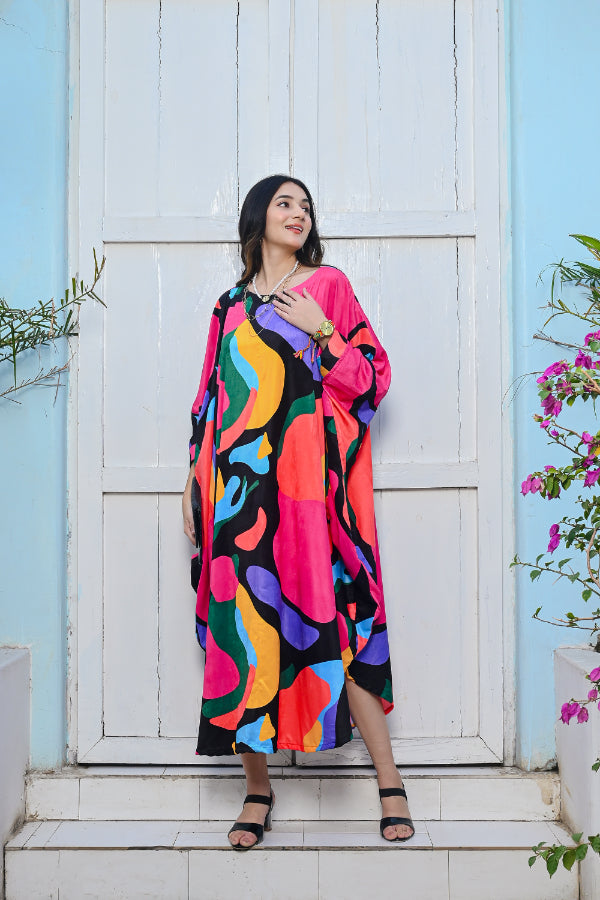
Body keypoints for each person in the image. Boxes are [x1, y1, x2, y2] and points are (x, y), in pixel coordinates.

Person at [182, 174, 414, 849]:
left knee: (339, 623)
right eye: (285, 203)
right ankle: (257, 790)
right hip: (238, 495)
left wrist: (325, 332)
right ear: (257, 216)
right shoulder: (228, 307)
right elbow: (209, 401)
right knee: (244, 633)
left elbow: (370, 382)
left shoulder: (328, 287)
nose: (299, 214)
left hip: (312, 494)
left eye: (306, 206)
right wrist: (192, 483)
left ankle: (390, 782)